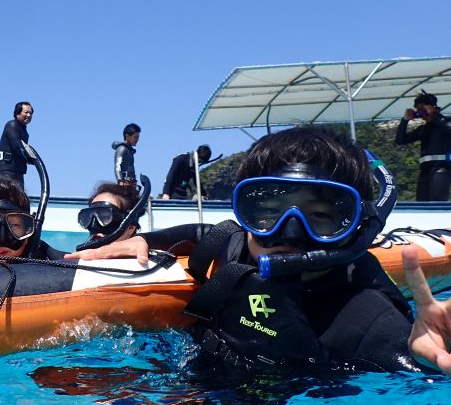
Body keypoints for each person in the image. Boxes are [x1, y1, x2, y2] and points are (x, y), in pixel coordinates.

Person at [68, 126, 451, 375]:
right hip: (185, 391)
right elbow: (197, 230)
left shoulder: (367, 320)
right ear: (244, 211)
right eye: (266, 211)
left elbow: (416, 372)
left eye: (320, 216)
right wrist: (146, 241)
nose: (288, 231)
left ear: (353, 224)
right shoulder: (231, 243)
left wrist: (422, 360)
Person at [395, 91, 451, 201]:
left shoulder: (444, 122)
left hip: (441, 168)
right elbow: (400, 140)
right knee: (421, 201)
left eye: (423, 110)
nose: (421, 114)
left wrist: (434, 115)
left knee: (436, 201)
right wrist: (405, 121)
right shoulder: (424, 129)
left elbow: (448, 127)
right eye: (419, 111)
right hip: (425, 169)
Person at [0, 101, 33, 187]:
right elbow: (17, 147)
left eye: (30, 113)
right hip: (7, 172)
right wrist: (30, 158)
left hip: (19, 172)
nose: (29, 115)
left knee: (19, 198)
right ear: (17, 112)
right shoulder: (12, 125)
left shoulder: (25, 132)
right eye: (26, 112)